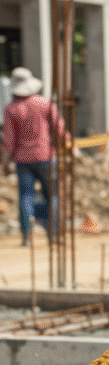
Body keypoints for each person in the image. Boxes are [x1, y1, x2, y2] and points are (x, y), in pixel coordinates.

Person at [1, 67, 66, 246]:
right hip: (46, 156)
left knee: (26, 197)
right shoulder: (44, 103)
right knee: (52, 196)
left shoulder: (11, 110)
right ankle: (53, 234)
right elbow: (59, 129)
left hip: (22, 160)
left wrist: (5, 163)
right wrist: (67, 148)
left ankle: (27, 237)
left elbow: (8, 140)